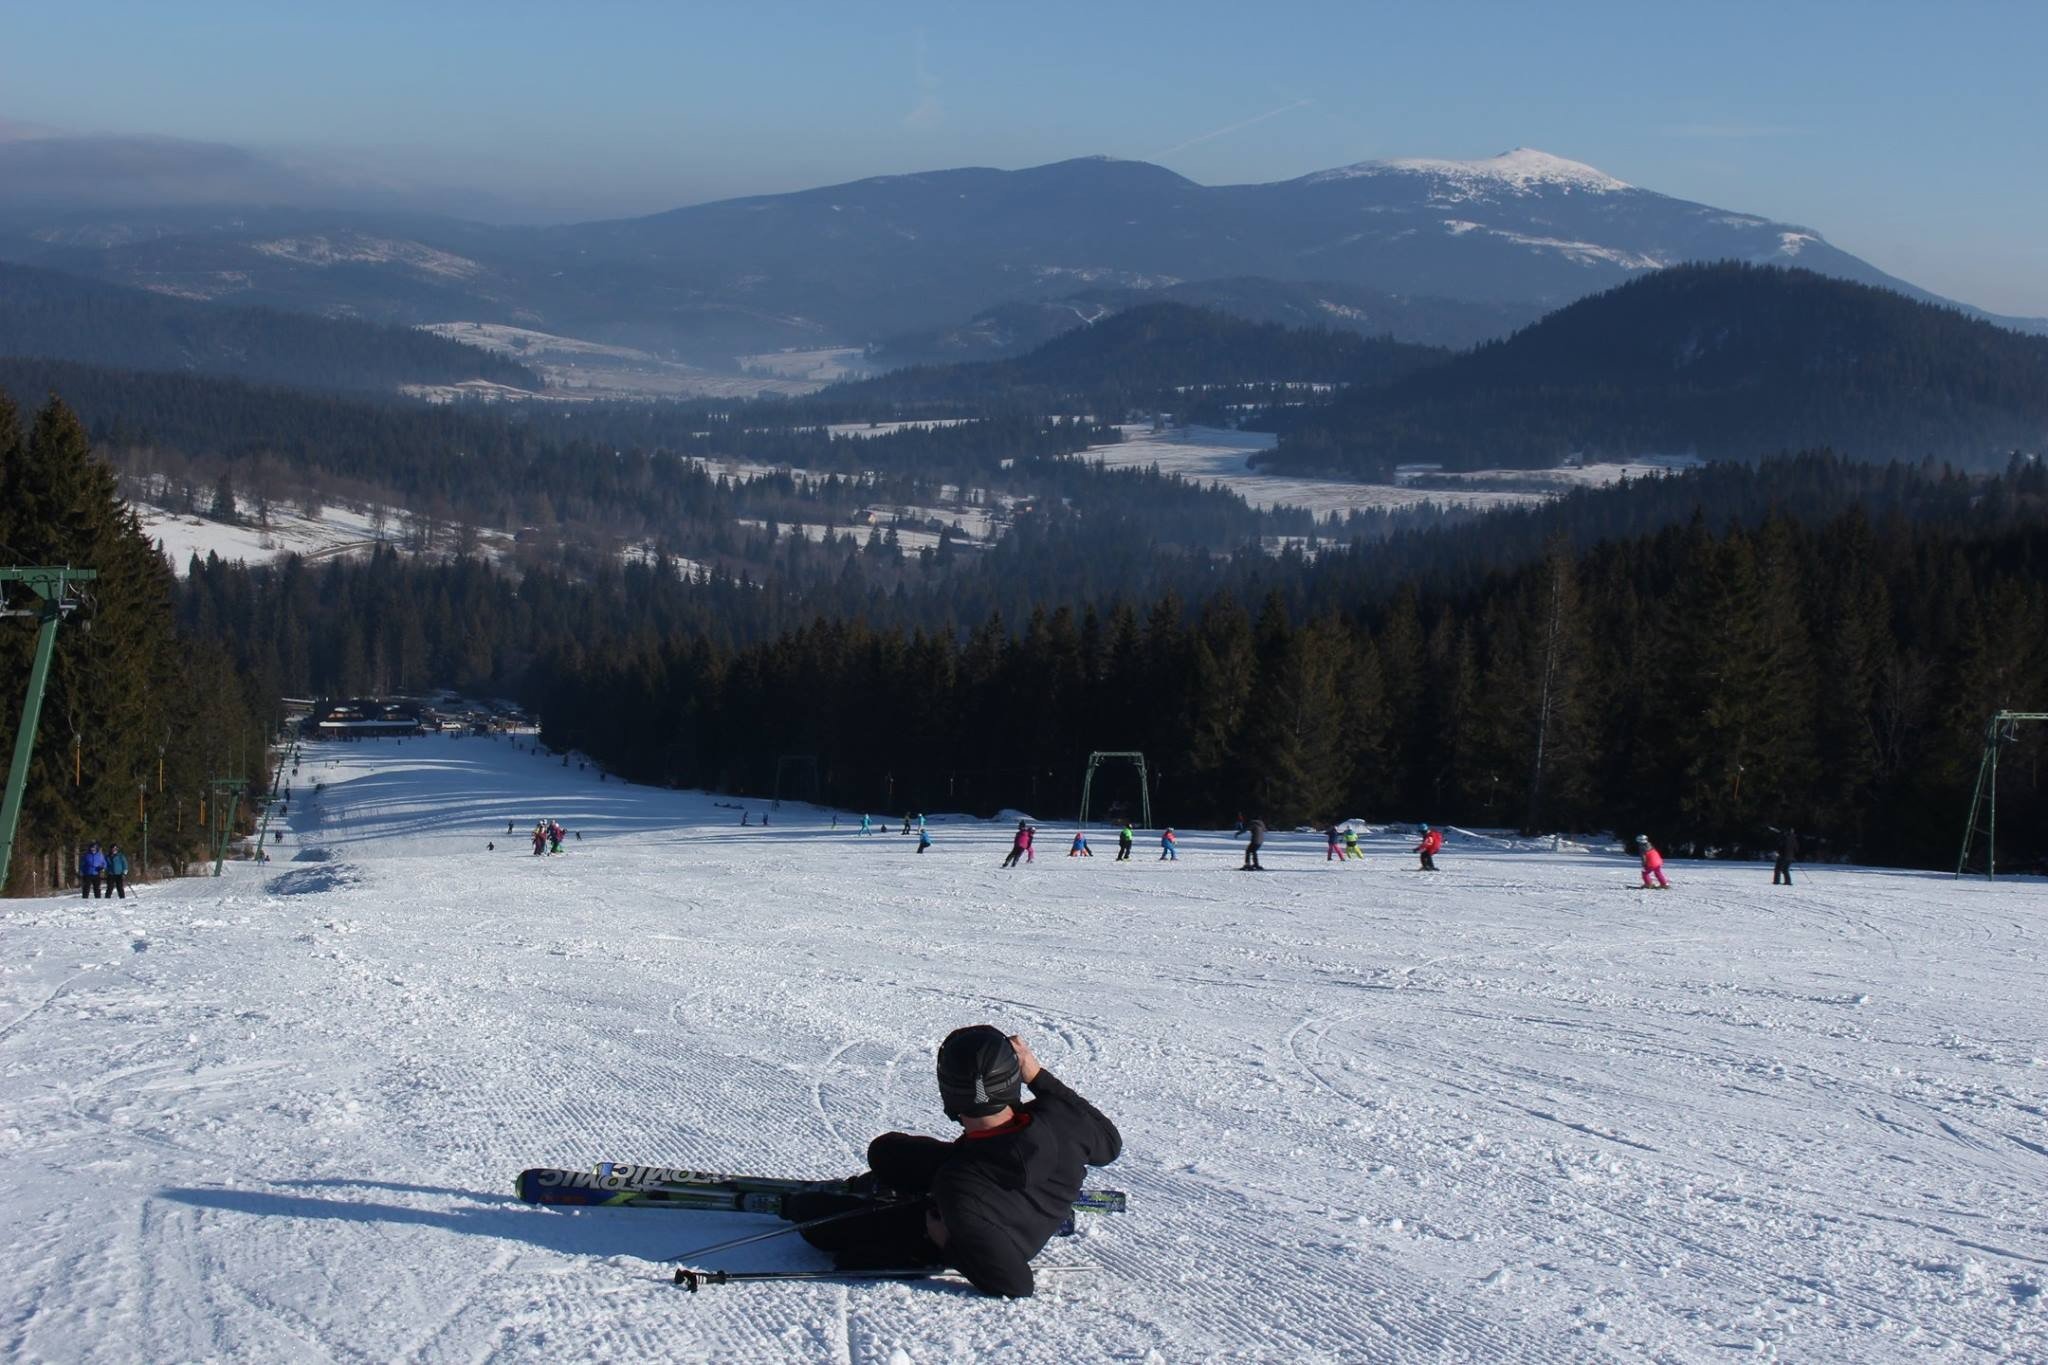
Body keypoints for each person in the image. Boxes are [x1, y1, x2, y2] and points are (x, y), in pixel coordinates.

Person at [781, 1027, 1121, 1298]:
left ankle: (915, 1233)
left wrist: (946, 1240)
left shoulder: (959, 1187)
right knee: (885, 1151)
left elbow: (1016, 1283)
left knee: (808, 1215)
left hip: (979, 1225)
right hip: (1006, 1183)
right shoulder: (1061, 1116)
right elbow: (1110, 1146)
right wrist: (1039, 1077)